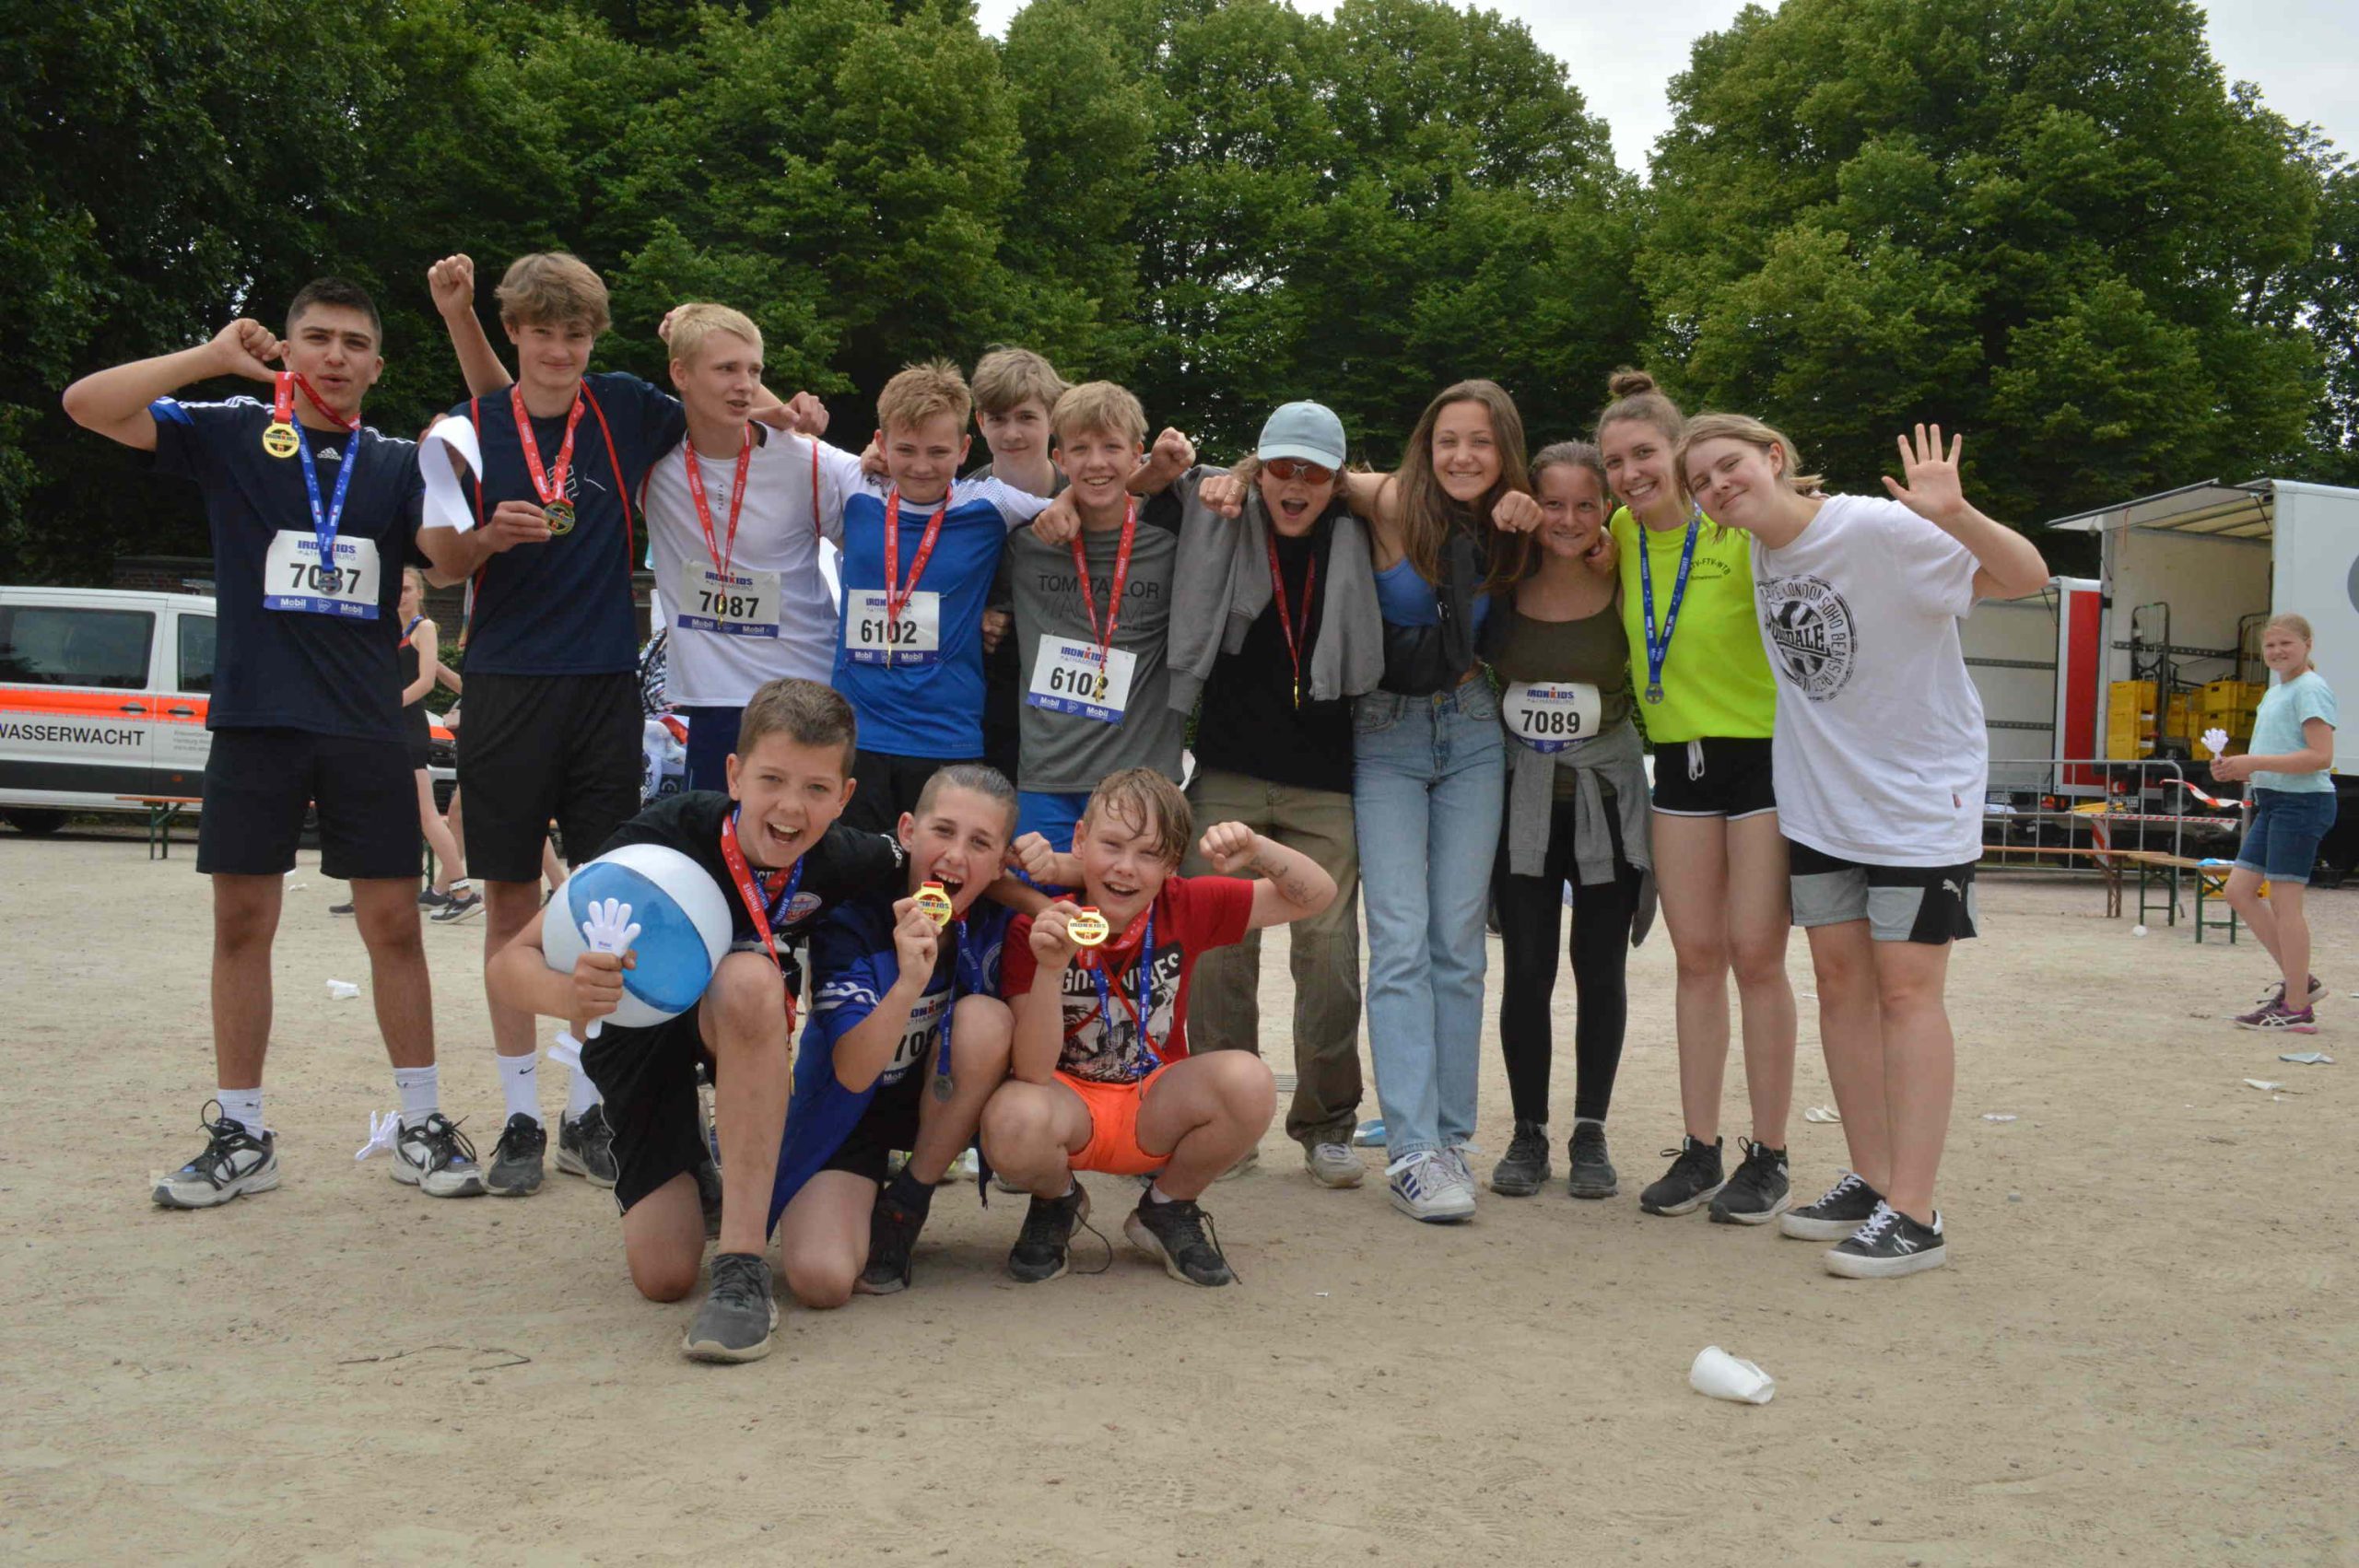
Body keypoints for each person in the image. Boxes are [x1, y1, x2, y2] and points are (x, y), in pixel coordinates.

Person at [63, 278, 485, 1206]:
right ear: (287, 351)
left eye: (355, 343)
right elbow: (88, 405)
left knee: (394, 925)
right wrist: (213, 357)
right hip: (256, 718)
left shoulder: (397, 461)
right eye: (318, 338)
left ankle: (421, 1123)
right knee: (242, 923)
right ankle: (243, 1135)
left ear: (377, 365)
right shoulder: (235, 430)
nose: (336, 356)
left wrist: (454, 471)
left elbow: (450, 561)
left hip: (365, 722)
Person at [422, 252, 825, 1197]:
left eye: (576, 334)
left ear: (594, 339)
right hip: (506, 683)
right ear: (513, 331)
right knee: (511, 901)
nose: (559, 350)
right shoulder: (465, 427)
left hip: (605, 686)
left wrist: (784, 410)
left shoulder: (624, 407)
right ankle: (520, 1114)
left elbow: (721, 389)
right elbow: (439, 562)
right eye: (541, 333)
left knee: (609, 904)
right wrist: (488, 537)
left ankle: (588, 1110)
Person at [1679, 416, 2048, 1278]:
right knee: (1841, 988)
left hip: (1918, 803)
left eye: (1729, 466)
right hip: (1822, 806)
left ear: (1775, 457)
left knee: (1908, 993)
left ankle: (1916, 1213)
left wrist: (1955, 514)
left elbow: (2025, 576)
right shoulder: (1760, 551)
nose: (1718, 486)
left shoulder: (1875, 527)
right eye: (1701, 482)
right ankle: (1875, 1179)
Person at [486, 679, 908, 1361]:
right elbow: (509, 964)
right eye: (771, 780)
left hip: (740, 1021)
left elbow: (946, 862)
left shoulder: (842, 854)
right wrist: (572, 994)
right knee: (664, 1276)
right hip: (642, 1045)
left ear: (844, 797)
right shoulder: (663, 839)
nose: (791, 808)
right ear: (734, 775)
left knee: (748, 981)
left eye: (816, 789)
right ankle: (695, 1165)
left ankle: (742, 1269)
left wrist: (1043, 881)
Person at [1206, 381, 1539, 1223]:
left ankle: (1450, 1136)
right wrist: (1233, 477)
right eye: (1448, 439)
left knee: (1458, 945)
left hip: (1472, 726)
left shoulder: (1515, 520)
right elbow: (1293, 468)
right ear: (1425, 444)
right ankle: (1414, 1150)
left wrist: (1547, 518)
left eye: (1482, 442)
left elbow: (1596, 539)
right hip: (1387, 729)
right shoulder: (1390, 498)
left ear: (1506, 451)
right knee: (1397, 939)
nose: (1463, 456)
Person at [980, 769, 1337, 1285]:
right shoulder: (1040, 924)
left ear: (1172, 865)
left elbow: (1316, 895)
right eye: (1112, 845)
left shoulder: (1184, 904)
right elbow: (1032, 1071)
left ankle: (1167, 1206)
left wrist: (1258, 848)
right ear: (1080, 840)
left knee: (1250, 1081)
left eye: (1149, 854)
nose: (1126, 868)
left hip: (1154, 1102)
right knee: (1010, 1117)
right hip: (1066, 1104)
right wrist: (1051, 969)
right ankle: (1057, 1200)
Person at [1165, 401, 1384, 1189]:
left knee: (1327, 952)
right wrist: (1205, 475)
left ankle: (1326, 1124)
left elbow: (1422, 495)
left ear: (1338, 480)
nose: (1297, 485)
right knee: (1219, 950)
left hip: (1325, 780)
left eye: (1315, 473)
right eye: (1282, 468)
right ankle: (1226, 1121)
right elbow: (1142, 479)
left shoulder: (1363, 530)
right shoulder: (1219, 515)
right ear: (1257, 470)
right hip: (1227, 771)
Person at [1598, 370, 1797, 1225]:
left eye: (1644, 454)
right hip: (1677, 765)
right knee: (1695, 959)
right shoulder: (1617, 531)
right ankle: (1701, 1147)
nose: (1630, 474)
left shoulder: (1736, 526)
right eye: (1614, 462)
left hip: (1762, 760)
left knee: (1757, 957)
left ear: (1677, 453)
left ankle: (1771, 1153)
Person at [769, 765, 1021, 1305]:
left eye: (979, 843)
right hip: (848, 1110)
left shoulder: (1000, 914)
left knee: (985, 1020)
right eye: (943, 831)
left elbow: (1108, 885)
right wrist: (908, 983)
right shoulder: (851, 919)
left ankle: (908, 1201)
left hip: (945, 1107)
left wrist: (1053, 875)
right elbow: (853, 1072)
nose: (955, 856)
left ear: (1003, 864)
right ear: (908, 831)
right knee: (821, 1280)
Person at [1482, 441, 1654, 1199]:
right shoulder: (1503, 573)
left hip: (1605, 800)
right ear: (1531, 503)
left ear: (1606, 510)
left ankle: (1590, 1130)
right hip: (1521, 800)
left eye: (1587, 505)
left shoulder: (1623, 572)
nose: (1569, 519)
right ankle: (1528, 1133)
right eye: (1553, 503)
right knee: (1527, 970)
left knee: (1600, 967)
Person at [827, 359, 1053, 836]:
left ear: (965, 448)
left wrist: (1150, 475)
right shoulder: (854, 484)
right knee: (854, 868)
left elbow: (1090, 503)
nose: (921, 466)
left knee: (938, 870)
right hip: (856, 734)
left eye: (938, 451)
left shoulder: (990, 501)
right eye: (905, 450)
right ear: (880, 442)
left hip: (946, 738)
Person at [640, 304, 860, 792]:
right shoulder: (650, 460)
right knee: (716, 835)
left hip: (806, 691)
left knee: (799, 830)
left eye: (754, 371)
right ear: (680, 374)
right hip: (713, 699)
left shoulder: (810, 461)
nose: (744, 384)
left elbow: (888, 519)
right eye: (727, 369)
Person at [1002, 383, 1193, 853]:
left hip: (1142, 780)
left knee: (1129, 901)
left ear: (1136, 455)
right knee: (1039, 900)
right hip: (1047, 777)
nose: (1096, 462)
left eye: (1111, 447)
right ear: (1059, 458)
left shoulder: (1174, 540)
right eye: (1080, 449)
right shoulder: (1024, 540)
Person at [2214, 613, 2339, 1033]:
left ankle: (2297, 1007)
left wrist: (2253, 762)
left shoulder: (2311, 689)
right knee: (2238, 891)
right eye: (2270, 645)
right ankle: (2301, 982)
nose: (2277, 651)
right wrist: (2236, 767)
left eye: (2286, 643)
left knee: (2286, 905)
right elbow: (2281, 752)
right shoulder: (2277, 691)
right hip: (2274, 802)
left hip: (2301, 804)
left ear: (2307, 645)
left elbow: (2321, 756)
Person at [966, 346, 1072, 786]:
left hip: (1064, 701)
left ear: (1053, 418)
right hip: (984, 699)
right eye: (997, 418)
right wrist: (971, 616)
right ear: (979, 422)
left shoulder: (1087, 491)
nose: (1011, 433)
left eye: (1026, 417)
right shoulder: (959, 498)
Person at [396, 568, 478, 920]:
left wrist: (386, 706)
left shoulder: (424, 628)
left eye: (407, 589)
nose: (400, 595)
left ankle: (462, 890)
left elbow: (427, 681)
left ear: (420, 593)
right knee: (402, 811)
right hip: (392, 725)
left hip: (407, 724)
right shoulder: (395, 631)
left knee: (428, 815)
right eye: (396, 589)